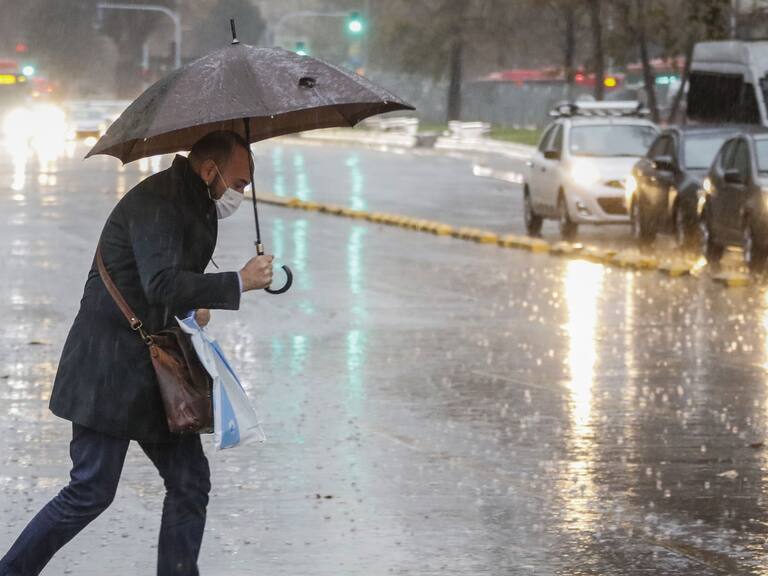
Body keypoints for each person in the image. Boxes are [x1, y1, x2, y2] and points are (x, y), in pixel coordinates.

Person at [0, 130, 273, 576]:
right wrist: (237, 281)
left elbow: (164, 282)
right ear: (211, 171)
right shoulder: (160, 202)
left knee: (189, 483)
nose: (240, 194)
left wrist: (194, 303)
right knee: (91, 489)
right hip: (108, 369)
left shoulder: (194, 200)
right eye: (240, 184)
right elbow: (160, 283)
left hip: (155, 372)